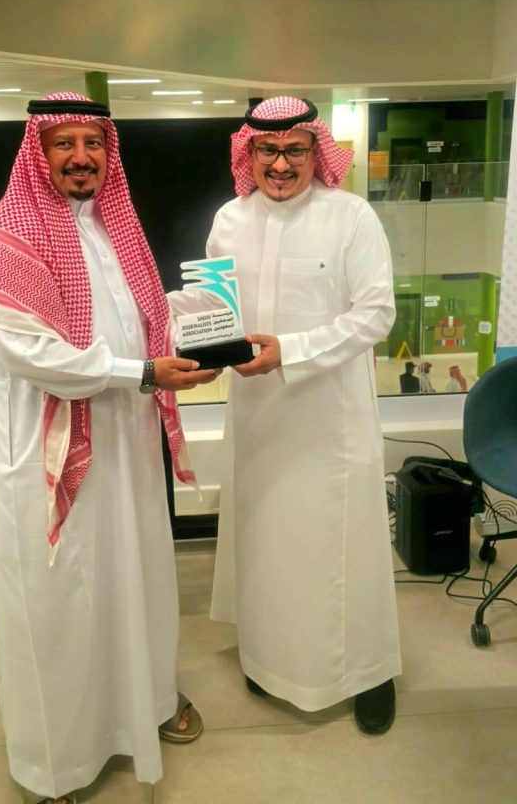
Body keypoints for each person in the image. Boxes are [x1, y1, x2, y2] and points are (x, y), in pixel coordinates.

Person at [0, 93, 219, 804]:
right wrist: (143, 373)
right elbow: (34, 356)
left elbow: (139, 316)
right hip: (50, 453)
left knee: (138, 576)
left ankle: (145, 705)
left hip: (125, 442)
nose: (80, 157)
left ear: (108, 154)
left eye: (93, 143)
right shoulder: (9, 236)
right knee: (60, 600)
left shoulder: (112, 227)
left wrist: (206, 332)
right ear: (38, 153)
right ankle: (57, 761)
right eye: (64, 143)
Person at [169, 95, 401, 736]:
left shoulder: (350, 217)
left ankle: (369, 673)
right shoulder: (229, 219)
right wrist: (186, 335)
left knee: (342, 551)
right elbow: (212, 306)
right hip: (258, 417)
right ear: (248, 154)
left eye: (293, 150)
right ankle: (269, 661)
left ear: (315, 152)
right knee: (268, 545)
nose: (279, 164)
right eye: (266, 151)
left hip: (330, 422)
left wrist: (290, 351)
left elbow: (376, 314)